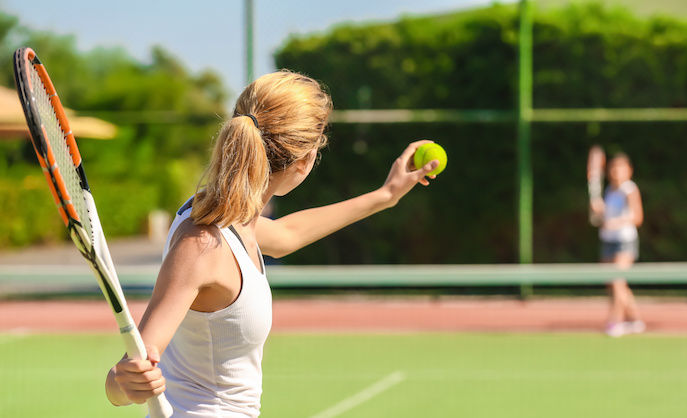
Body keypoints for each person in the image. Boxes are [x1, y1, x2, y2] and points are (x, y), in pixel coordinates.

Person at [104, 70, 441, 416]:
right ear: (305, 161)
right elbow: (123, 378)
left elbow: (286, 236)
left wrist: (386, 196)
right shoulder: (202, 243)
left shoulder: (226, 220)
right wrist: (124, 382)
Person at [590, 152, 645, 337]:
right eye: (613, 168)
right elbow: (601, 219)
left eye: (620, 168)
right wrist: (598, 213)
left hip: (625, 242)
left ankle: (615, 322)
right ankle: (636, 320)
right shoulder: (608, 191)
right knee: (613, 283)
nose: (616, 172)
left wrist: (616, 222)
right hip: (608, 241)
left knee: (617, 281)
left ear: (629, 171)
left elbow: (637, 217)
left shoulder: (630, 190)